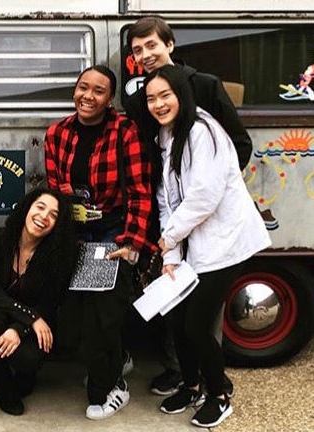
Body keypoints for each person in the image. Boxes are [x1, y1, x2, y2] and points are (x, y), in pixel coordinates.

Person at [122, 15, 253, 397]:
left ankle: (211, 382)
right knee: (174, 300)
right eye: (137, 49)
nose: (146, 54)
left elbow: (238, 146)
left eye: (152, 45)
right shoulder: (138, 94)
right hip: (168, 208)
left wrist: (212, 192)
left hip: (205, 215)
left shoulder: (205, 87)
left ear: (170, 44)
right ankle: (182, 373)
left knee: (201, 313)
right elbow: (153, 153)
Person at [144, 65, 270, 428]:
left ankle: (219, 394)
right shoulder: (164, 137)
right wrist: (169, 254)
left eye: (165, 95)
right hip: (190, 245)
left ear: (182, 94)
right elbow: (166, 199)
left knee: (197, 325)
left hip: (224, 243)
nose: (158, 104)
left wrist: (167, 239)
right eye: (151, 98)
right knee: (177, 318)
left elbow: (204, 198)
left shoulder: (203, 131)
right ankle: (192, 384)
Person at [44, 65, 155, 420]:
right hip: (76, 228)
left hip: (113, 228)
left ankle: (109, 387)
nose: (87, 96)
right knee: (76, 314)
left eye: (98, 91)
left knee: (102, 312)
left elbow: (139, 191)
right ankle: (117, 360)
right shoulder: (57, 133)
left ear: (110, 99)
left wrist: (133, 242)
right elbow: (57, 189)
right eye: (82, 88)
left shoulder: (125, 131)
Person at [0, 187, 78, 416]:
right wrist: (29, 317)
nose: (43, 217)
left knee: (28, 359)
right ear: (27, 208)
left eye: (53, 215)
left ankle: (25, 374)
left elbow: (49, 303)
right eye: (40, 207)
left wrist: (18, 328)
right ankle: (0, 378)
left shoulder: (57, 255)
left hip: (35, 324)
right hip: (1, 315)